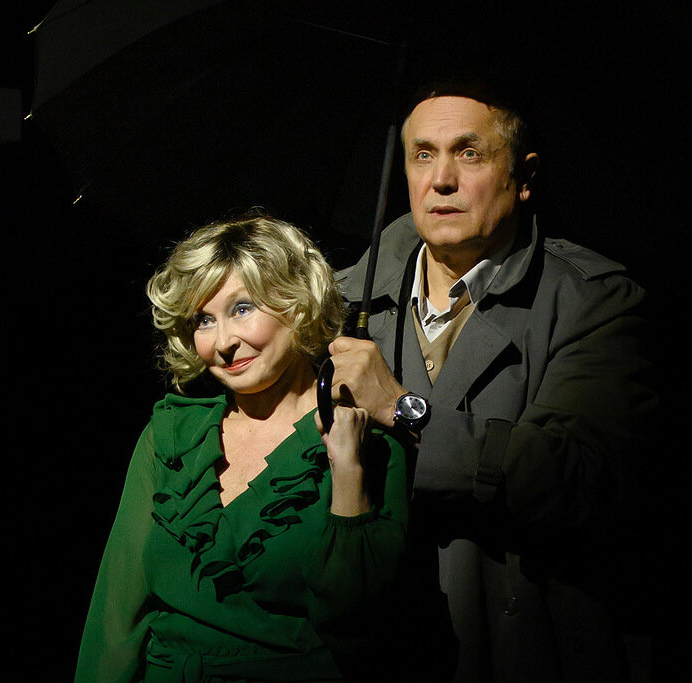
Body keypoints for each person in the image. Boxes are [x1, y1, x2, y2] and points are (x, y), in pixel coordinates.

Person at [328, 77, 656, 681]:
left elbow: (579, 476)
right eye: (422, 154)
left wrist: (403, 409)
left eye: (469, 153)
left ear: (524, 176)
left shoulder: (592, 300)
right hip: (376, 647)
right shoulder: (343, 301)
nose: (441, 180)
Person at [75, 212, 408, 682]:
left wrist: (348, 472)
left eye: (242, 309)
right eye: (204, 320)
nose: (223, 342)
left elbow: (361, 630)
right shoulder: (172, 437)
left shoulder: (367, 443)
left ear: (298, 303)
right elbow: (116, 613)